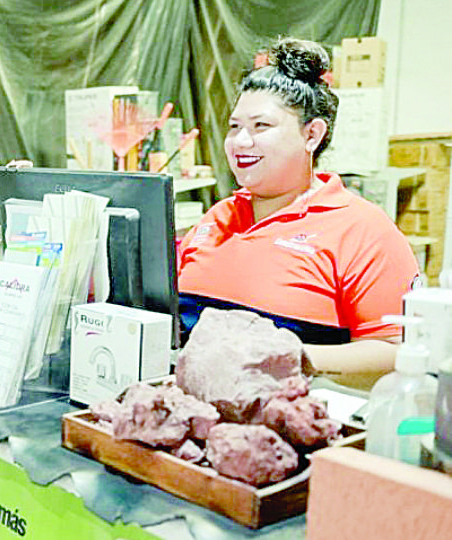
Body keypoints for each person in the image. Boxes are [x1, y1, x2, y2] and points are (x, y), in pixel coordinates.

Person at [177, 37, 419, 388]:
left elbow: (396, 351)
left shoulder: (364, 230)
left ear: (312, 135)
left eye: (261, 126)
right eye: (234, 127)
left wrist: (292, 358)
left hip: (297, 411)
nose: (241, 141)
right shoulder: (216, 217)